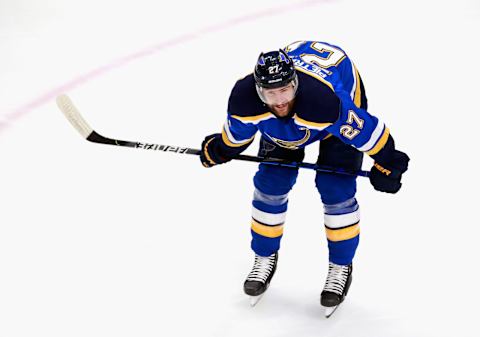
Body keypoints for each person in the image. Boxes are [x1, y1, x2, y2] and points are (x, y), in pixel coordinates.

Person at [199, 41, 409, 313]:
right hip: (295, 122)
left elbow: (372, 135)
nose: (281, 101)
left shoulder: (325, 104)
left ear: (295, 83)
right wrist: (218, 150)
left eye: (285, 90)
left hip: (336, 88)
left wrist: (389, 163)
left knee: (335, 188)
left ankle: (340, 266)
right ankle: (264, 256)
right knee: (271, 183)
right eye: (271, 94)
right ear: (258, 90)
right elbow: (235, 139)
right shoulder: (244, 99)